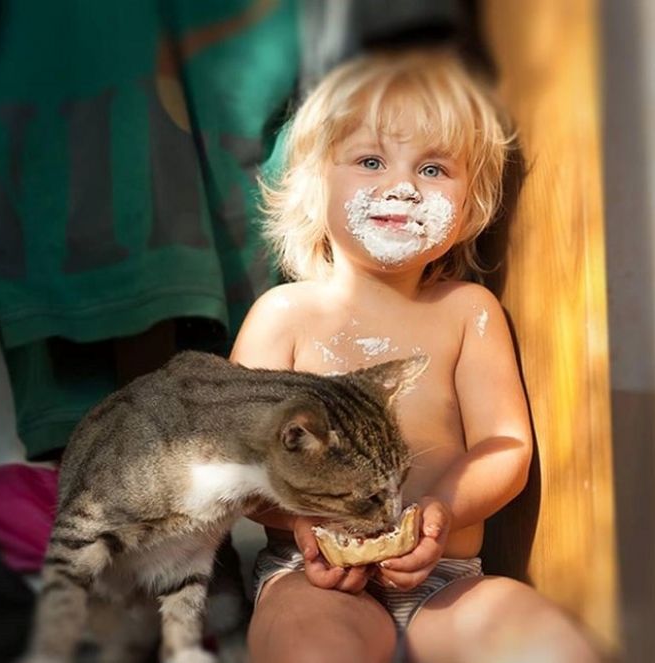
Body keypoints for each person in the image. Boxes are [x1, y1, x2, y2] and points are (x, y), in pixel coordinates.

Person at [230, 47, 603, 663]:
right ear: (315, 185)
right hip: (312, 574)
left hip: (447, 582)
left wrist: (441, 512)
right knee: (306, 645)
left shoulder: (467, 311)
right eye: (371, 161)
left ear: (470, 205)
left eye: (433, 170)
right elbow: (237, 467)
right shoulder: (285, 315)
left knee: (549, 642)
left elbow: (505, 446)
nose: (401, 186)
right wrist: (306, 521)